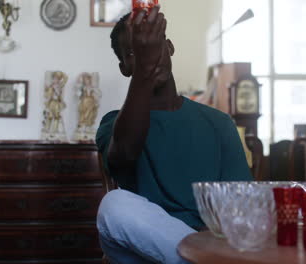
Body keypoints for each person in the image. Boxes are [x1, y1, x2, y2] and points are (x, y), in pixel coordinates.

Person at [96, 6, 252, 264]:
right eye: (135, 52)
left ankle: (198, 258)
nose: (149, 56)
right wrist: (144, 71)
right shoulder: (113, 123)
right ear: (124, 67)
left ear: (169, 47)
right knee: (114, 205)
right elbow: (122, 156)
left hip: (210, 244)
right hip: (140, 250)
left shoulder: (218, 123)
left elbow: (241, 209)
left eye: (154, 45)